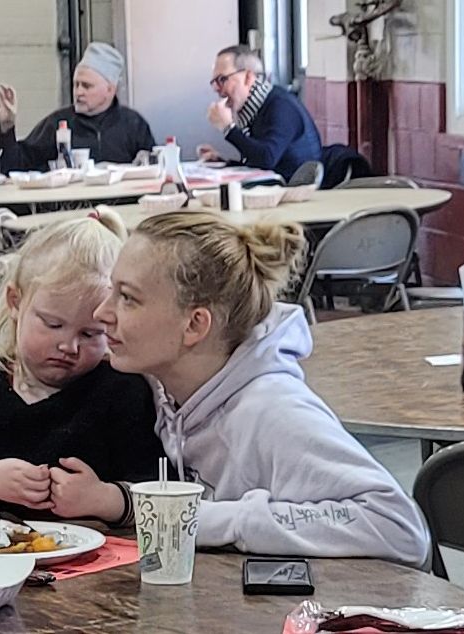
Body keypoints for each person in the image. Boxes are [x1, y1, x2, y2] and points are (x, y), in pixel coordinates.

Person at [93, 212, 430, 567]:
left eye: (128, 298)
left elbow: (400, 527)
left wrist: (217, 520)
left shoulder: (273, 411)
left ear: (194, 325)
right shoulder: (166, 382)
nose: (103, 312)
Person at [0, 209, 163, 525]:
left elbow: (158, 493)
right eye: (53, 324)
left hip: (100, 560)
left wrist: (102, 498)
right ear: (16, 303)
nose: (68, 346)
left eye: (90, 333)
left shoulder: (122, 388)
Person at [0, 42, 156, 173]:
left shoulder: (134, 125)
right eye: (76, 84)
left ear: (110, 90)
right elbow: (13, 168)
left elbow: (153, 171)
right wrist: (7, 127)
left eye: (87, 86)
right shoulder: (57, 123)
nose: (78, 92)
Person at [198, 45, 321, 183]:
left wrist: (229, 129)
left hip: (294, 194)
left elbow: (267, 159)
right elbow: (257, 163)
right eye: (214, 82)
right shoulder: (252, 111)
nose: (216, 89)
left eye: (222, 79)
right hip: (272, 191)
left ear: (248, 77)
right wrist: (223, 163)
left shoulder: (281, 106)